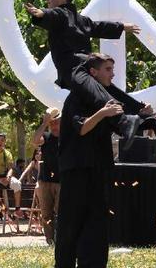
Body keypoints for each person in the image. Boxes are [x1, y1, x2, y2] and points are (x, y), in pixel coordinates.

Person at [24, 0, 156, 156]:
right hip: (90, 64)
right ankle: (149, 120)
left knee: (99, 96)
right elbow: (98, 26)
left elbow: (53, 15)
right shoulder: (81, 20)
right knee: (106, 90)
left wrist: (41, 13)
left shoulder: (60, 14)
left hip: (74, 68)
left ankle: (125, 121)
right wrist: (122, 27)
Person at [55, 53, 122, 268]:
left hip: (99, 168)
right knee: (70, 223)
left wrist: (142, 116)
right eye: (108, 69)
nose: (113, 74)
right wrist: (102, 113)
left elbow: (120, 124)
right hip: (76, 169)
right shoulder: (76, 98)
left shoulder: (106, 99)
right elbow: (82, 128)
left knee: (97, 223)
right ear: (93, 72)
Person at [32, 107, 61, 245]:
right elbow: (34, 141)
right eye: (52, 123)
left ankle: (61, 240)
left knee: (61, 212)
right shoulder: (47, 137)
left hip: (62, 181)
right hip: (45, 181)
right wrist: (44, 123)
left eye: (56, 123)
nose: (54, 126)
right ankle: (50, 241)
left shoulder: (68, 137)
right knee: (46, 214)